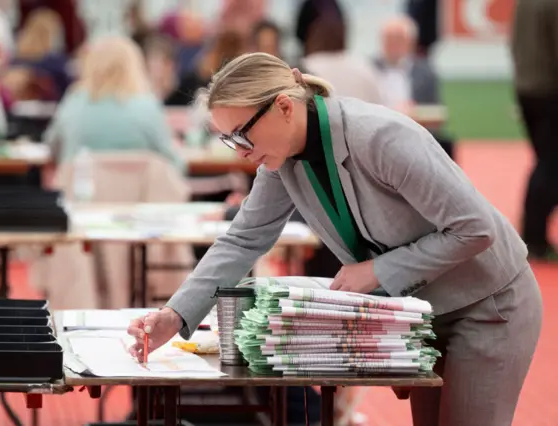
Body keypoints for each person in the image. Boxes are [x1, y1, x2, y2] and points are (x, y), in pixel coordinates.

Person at [129, 52, 543, 426]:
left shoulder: (381, 136)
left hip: (490, 304)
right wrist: (175, 315)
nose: (239, 151)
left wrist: (377, 271)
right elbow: (242, 240)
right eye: (229, 139)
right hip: (426, 311)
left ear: (284, 108)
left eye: (242, 135)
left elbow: (476, 228)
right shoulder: (280, 161)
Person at [43, 35, 184, 171]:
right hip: (134, 194)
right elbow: (174, 164)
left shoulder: (73, 103)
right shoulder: (147, 107)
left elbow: (53, 147)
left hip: (81, 192)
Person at [511, 0, 558, 260]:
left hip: (528, 87)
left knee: (547, 162)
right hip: (550, 89)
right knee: (550, 165)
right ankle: (534, 236)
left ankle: (534, 234)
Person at [374, 15, 454, 160]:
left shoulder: (425, 73)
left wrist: (414, 112)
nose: (393, 44)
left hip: (415, 133)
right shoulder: (368, 70)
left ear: (411, 42)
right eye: (389, 39)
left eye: (399, 39)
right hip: (377, 133)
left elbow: (436, 112)